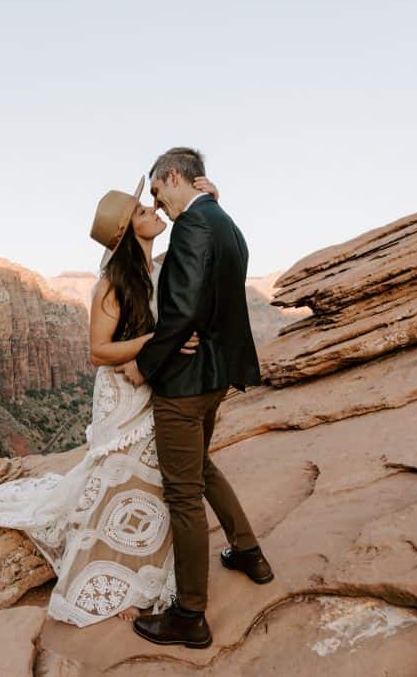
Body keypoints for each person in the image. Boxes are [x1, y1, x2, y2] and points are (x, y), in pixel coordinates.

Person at [0, 174, 218, 626]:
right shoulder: (112, 284)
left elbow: (195, 244)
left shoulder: (153, 270)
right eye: (143, 211)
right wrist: (158, 340)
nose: (154, 212)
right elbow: (99, 352)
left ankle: (146, 562)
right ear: (125, 233)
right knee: (118, 478)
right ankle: (111, 568)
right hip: (122, 395)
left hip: (151, 389)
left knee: (151, 480)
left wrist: (209, 200)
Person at [118, 147, 273, 650]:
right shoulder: (224, 221)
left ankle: (189, 614)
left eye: (157, 191)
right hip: (216, 376)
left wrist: (144, 366)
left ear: (172, 176)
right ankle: (248, 551)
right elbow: (213, 298)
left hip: (184, 385)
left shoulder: (190, 227)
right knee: (201, 467)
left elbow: (182, 310)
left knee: (182, 495)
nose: (157, 203)